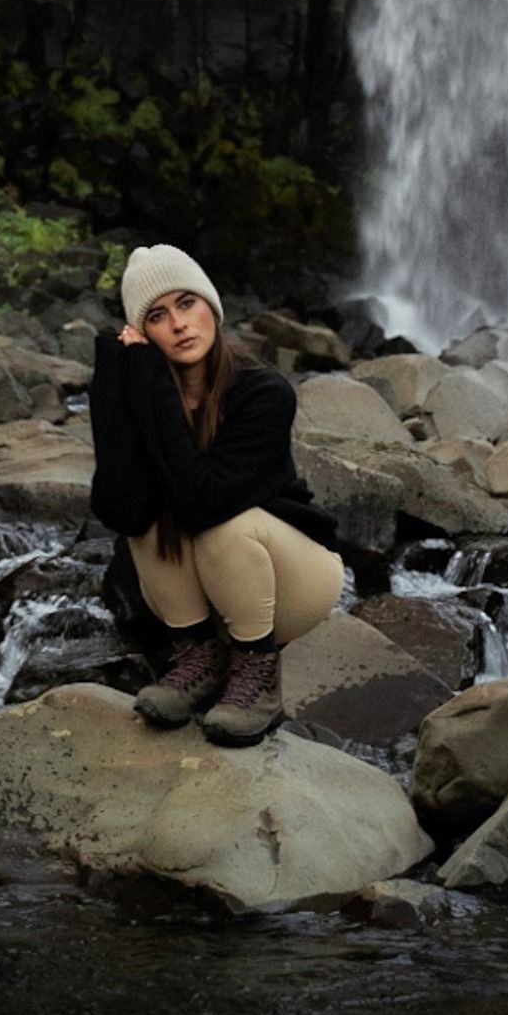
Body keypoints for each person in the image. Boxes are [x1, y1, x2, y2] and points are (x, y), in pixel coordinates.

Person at [86, 243, 344, 745]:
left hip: (292, 582)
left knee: (221, 522)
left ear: (212, 307)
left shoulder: (264, 392)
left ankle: (256, 675)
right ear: (143, 333)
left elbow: (205, 501)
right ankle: (198, 661)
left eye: (187, 303)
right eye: (158, 316)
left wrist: (151, 388)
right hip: (203, 593)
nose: (179, 324)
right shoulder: (144, 384)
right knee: (146, 517)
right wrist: (120, 375)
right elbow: (119, 507)